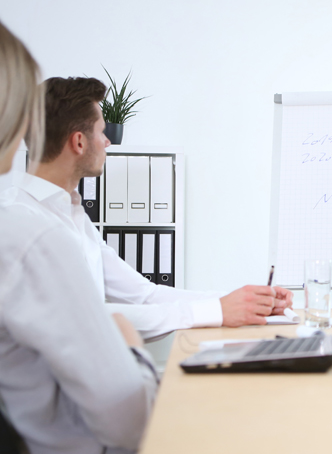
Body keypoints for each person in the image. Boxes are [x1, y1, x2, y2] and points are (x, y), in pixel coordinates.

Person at [1, 76, 293, 341]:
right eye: (102, 132)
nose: (107, 142)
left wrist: (249, 302)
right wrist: (217, 311)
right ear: (79, 141)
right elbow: (83, 319)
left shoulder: (73, 215)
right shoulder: (18, 221)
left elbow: (143, 295)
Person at [0, 20, 158, 454]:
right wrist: (130, 345)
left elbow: (139, 293)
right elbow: (129, 419)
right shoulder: (31, 235)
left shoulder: (44, 223)